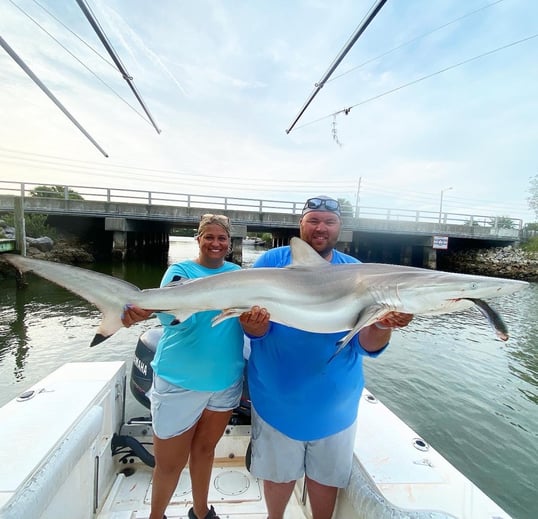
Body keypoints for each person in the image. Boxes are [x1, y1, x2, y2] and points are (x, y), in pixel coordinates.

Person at [239, 196, 413, 519]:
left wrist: (384, 327)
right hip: (277, 401)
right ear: (301, 225)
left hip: (335, 407)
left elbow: (366, 344)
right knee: (278, 477)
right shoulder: (270, 264)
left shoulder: (357, 273)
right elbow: (256, 334)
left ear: (340, 229)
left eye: (329, 222)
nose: (321, 228)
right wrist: (253, 327)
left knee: (325, 480)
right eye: (314, 220)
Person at [122, 214, 245, 519]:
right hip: (180, 381)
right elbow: (169, 320)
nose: (215, 243)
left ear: (229, 243)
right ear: (198, 239)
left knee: (205, 451)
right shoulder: (179, 272)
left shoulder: (238, 274)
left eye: (222, 238)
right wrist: (141, 311)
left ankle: (201, 513)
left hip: (225, 381)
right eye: (209, 237)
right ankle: (156, 516)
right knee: (170, 464)